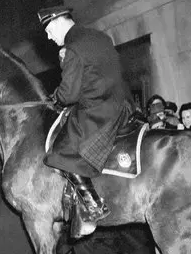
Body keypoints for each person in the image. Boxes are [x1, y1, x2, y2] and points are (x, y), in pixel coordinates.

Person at [38, 5, 135, 236]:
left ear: (60, 21)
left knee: (61, 152)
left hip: (99, 110)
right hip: (123, 105)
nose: (49, 37)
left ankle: (93, 205)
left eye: (49, 30)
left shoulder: (74, 48)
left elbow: (69, 94)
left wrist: (54, 99)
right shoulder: (100, 36)